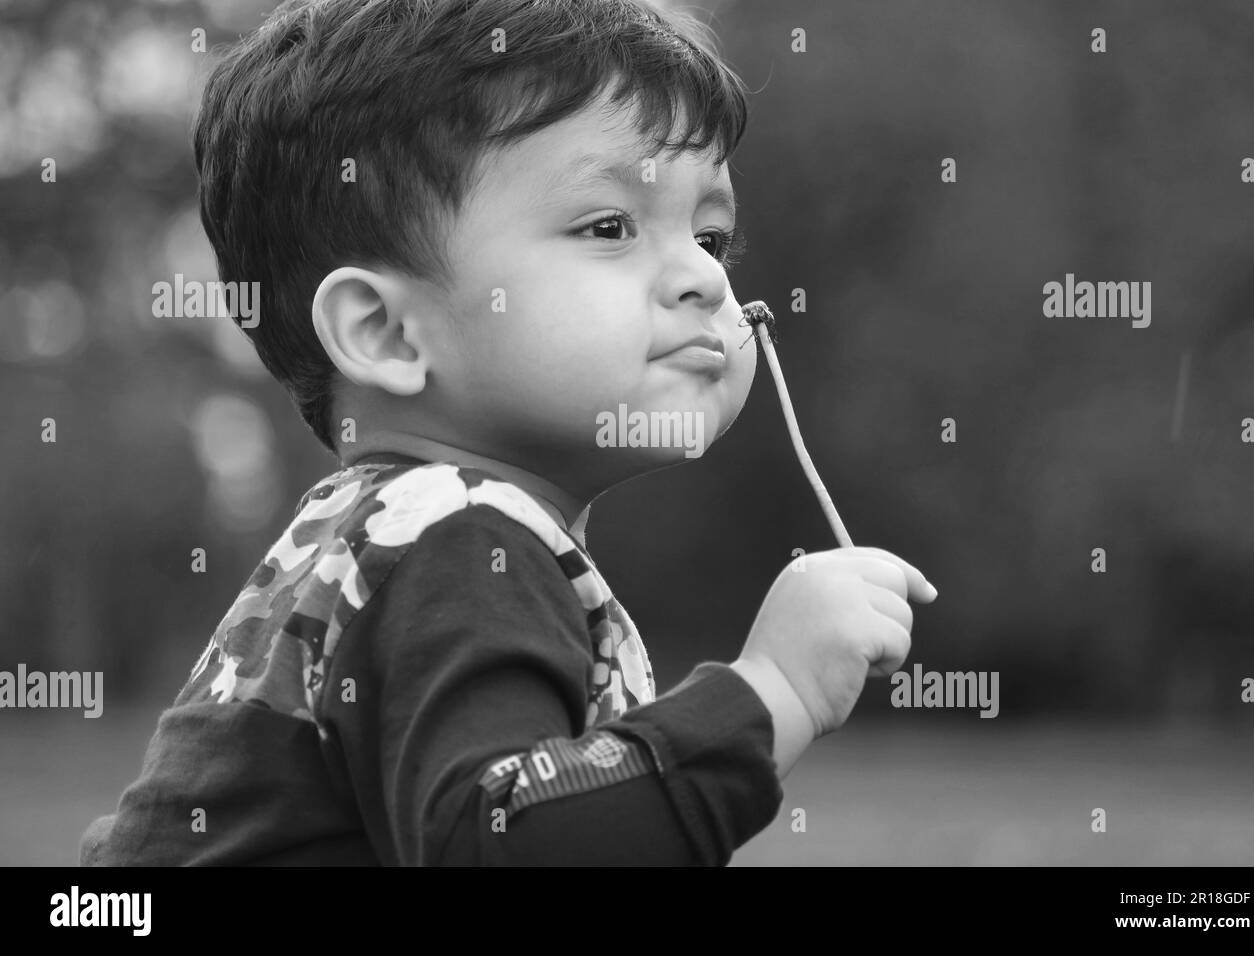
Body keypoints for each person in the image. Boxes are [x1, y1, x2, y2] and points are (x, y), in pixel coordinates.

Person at [79, 0, 936, 866]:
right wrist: (772, 693)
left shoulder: (391, 532)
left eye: (711, 236)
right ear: (386, 333)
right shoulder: (451, 536)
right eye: (609, 227)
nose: (704, 279)